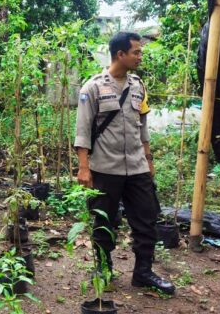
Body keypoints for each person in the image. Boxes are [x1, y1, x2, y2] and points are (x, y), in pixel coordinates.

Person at [74, 31, 175, 295]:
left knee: (147, 219)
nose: (140, 56)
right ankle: (103, 268)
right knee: (104, 221)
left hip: (137, 167)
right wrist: (83, 168)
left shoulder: (138, 86)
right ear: (120, 54)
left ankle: (143, 272)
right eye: (136, 52)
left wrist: (149, 159)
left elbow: (142, 127)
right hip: (105, 168)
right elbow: (82, 131)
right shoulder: (92, 88)